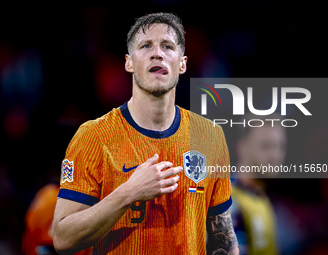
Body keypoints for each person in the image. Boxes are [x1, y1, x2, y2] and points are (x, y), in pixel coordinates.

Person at [52, 12, 239, 255]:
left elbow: (223, 239)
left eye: (167, 46)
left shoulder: (210, 136)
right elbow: (63, 239)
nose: (157, 53)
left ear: (182, 63)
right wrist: (129, 193)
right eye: (146, 45)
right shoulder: (94, 136)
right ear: (129, 62)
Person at [231, 114, 287, 255]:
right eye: (266, 146)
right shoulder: (229, 202)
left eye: (281, 147)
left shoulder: (259, 197)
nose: (275, 156)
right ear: (241, 147)